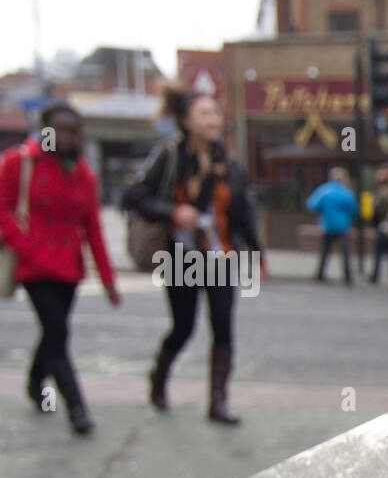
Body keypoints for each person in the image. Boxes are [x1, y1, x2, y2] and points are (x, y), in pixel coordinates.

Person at [125, 85, 265, 425]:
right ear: (186, 120)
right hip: (181, 257)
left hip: (221, 257)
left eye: (215, 112)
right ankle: (159, 377)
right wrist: (172, 212)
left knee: (223, 327)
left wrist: (257, 254)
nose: (213, 119)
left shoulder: (227, 161)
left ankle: (218, 402)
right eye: (204, 113)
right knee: (183, 327)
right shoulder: (169, 155)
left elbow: (243, 210)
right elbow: (134, 195)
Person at [0, 102, 119, 436]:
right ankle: (76, 407)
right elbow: (3, 209)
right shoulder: (20, 162)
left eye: (73, 131)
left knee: (54, 331)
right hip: (34, 267)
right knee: (57, 333)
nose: (66, 137)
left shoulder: (83, 173)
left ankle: (35, 380)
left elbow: (92, 227)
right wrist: (26, 246)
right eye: (59, 129)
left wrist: (108, 279)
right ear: (45, 130)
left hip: (68, 268)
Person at [307, 166, 358, 285]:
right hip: (343, 226)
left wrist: (324, 211)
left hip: (328, 225)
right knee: (345, 252)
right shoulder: (347, 193)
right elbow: (354, 210)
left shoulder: (324, 191)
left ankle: (321, 274)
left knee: (325, 252)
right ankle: (348, 276)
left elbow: (312, 205)